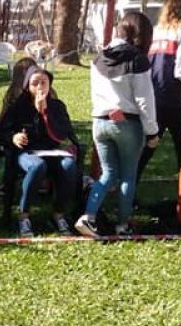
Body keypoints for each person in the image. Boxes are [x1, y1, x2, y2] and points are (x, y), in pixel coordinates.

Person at [76, 12, 158, 238]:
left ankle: (88, 217)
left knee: (108, 174)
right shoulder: (137, 59)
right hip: (127, 124)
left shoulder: (98, 58)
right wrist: (152, 131)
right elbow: (144, 100)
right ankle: (123, 226)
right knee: (127, 176)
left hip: (100, 122)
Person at [0, 68, 76, 237]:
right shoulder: (17, 106)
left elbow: (63, 133)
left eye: (44, 82)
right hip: (28, 152)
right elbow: (1, 132)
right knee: (37, 166)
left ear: (49, 85)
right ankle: (24, 216)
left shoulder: (57, 106)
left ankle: (58, 214)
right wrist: (14, 137)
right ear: (27, 86)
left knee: (69, 166)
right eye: (35, 83)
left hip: (53, 151)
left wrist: (45, 113)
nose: (40, 87)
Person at [137, 0, 181, 183]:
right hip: (175, 96)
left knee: (146, 147)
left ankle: (127, 188)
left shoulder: (157, 31)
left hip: (153, 95)